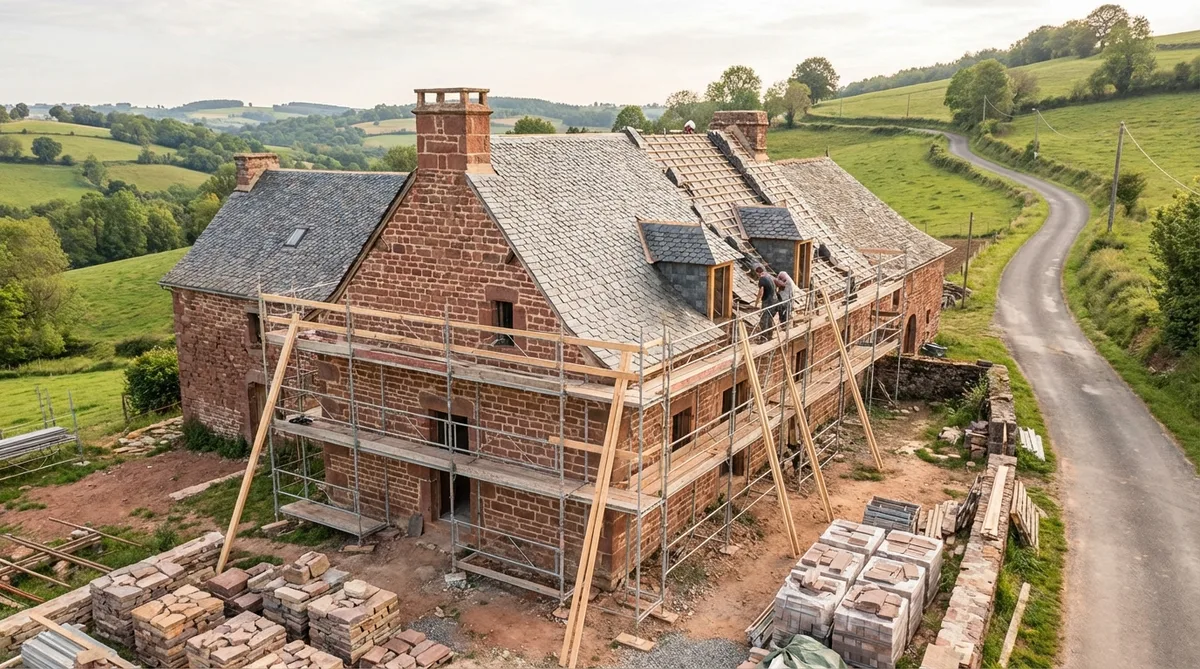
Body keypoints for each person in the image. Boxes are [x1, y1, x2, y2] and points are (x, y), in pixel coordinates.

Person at [754, 264, 777, 340]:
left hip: (768, 300)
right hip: (774, 300)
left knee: (764, 319)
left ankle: (764, 337)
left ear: (757, 273)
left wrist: (757, 302)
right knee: (769, 318)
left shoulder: (762, 279)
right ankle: (770, 335)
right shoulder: (769, 276)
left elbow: (761, 292)